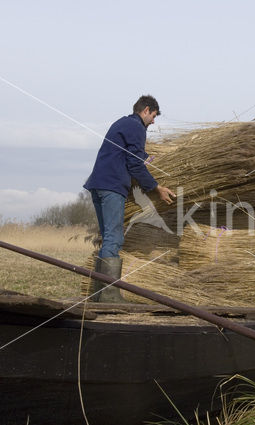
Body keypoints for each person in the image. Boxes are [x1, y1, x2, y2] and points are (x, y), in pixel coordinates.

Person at [84, 95, 175, 302]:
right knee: (114, 239)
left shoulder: (122, 123)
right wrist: (156, 188)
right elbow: (135, 164)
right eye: (153, 116)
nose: (154, 121)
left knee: (108, 237)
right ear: (146, 110)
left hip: (98, 184)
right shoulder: (136, 127)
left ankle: (98, 295)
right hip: (112, 186)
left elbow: (133, 156)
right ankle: (108, 297)